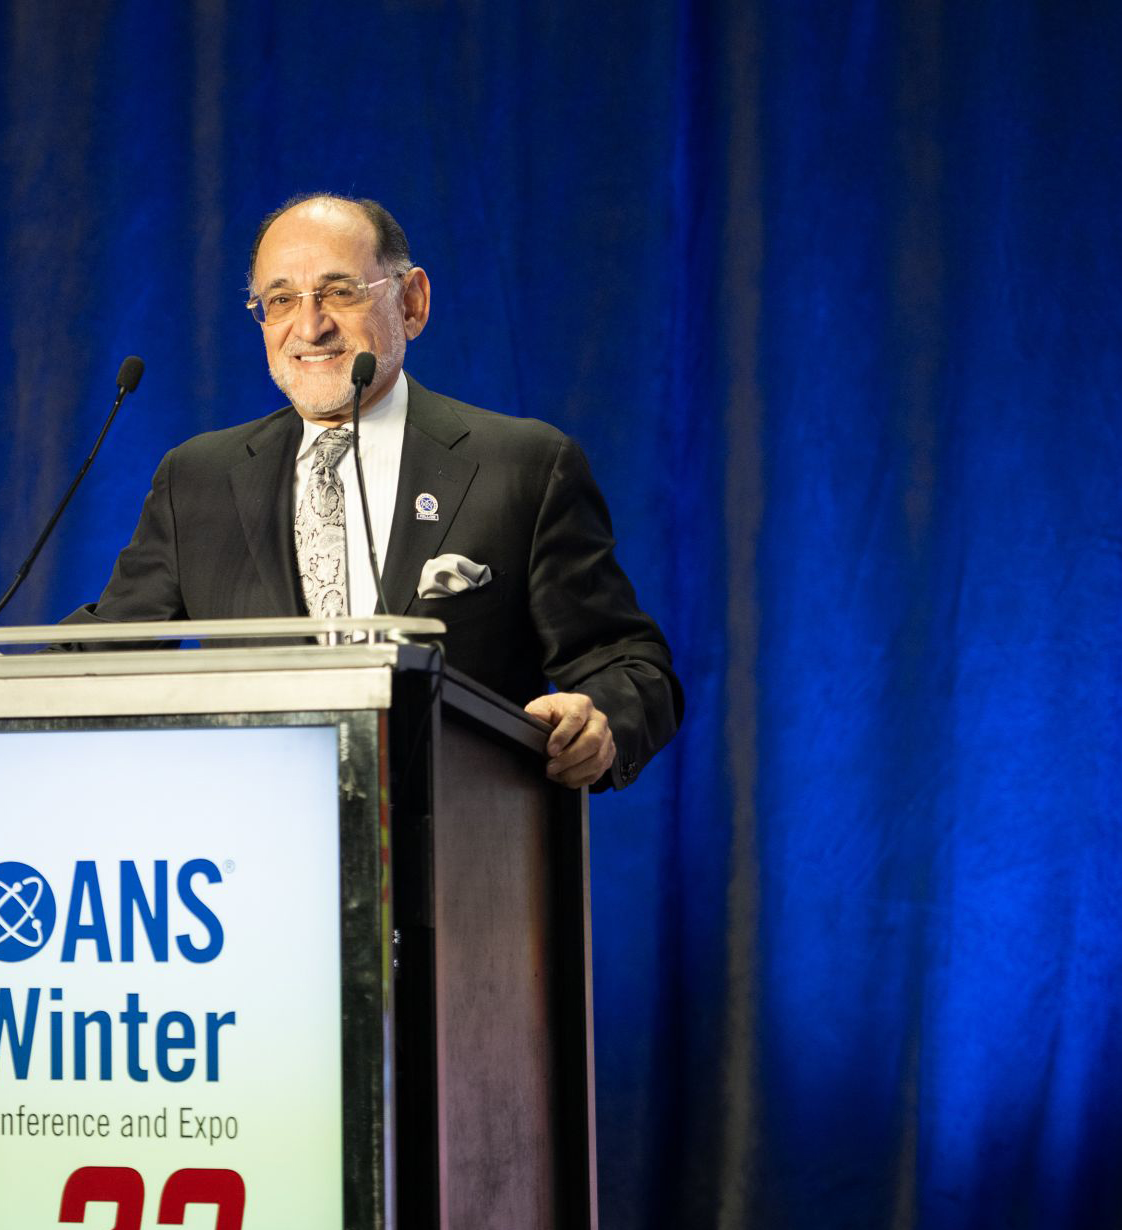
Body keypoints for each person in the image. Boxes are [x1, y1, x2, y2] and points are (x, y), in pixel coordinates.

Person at [67, 194, 680, 790]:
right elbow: (104, 656)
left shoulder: (521, 466)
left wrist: (599, 721)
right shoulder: (197, 480)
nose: (310, 326)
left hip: (464, 847)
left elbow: (626, 663)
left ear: (410, 303)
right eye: (280, 300)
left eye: (340, 292)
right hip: (252, 849)